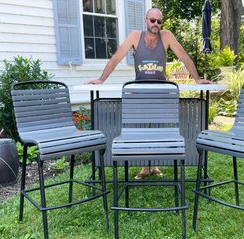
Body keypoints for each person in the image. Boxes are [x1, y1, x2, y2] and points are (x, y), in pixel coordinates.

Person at [86, 7, 212, 179]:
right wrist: (101, 79)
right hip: (140, 92)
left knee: (158, 128)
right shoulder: (135, 36)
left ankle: (154, 165)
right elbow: (116, 58)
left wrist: (197, 79)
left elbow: (184, 56)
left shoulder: (166, 36)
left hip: (161, 92)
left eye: (159, 21)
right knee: (142, 128)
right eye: (152, 20)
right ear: (146, 21)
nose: (156, 24)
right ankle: (146, 167)